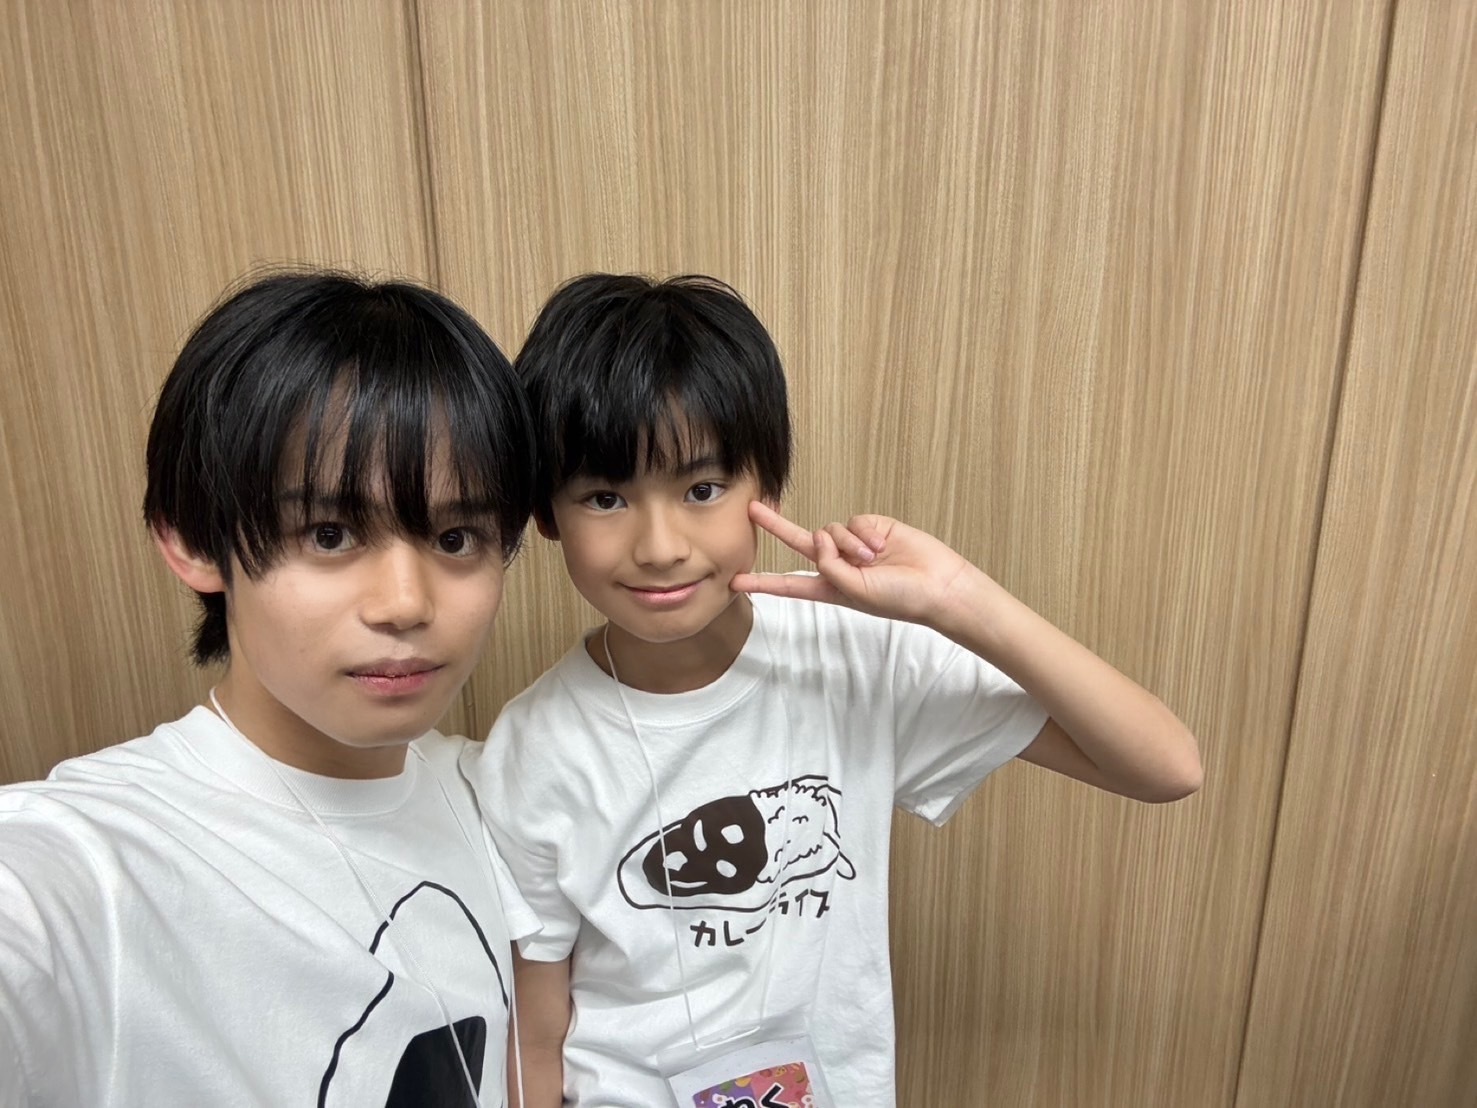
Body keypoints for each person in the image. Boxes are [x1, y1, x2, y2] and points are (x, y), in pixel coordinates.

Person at [466, 273, 1202, 1106]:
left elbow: (1165, 766)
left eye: (702, 489)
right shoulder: (533, 747)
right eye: (605, 498)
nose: (660, 546)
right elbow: (536, 1033)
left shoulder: (853, 654)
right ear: (547, 515)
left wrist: (957, 598)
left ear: (766, 488)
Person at [0, 270, 539, 1106]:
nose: (406, 603)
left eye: (456, 536)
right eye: (329, 533)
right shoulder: (89, 868)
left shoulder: (496, 790)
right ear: (192, 541)